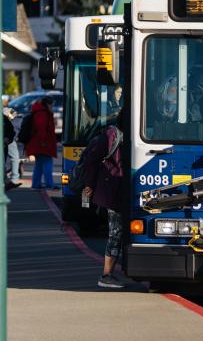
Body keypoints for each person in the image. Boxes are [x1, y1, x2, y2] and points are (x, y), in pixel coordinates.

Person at [81, 120, 125, 289]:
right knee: (116, 232)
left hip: (122, 190)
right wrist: (89, 186)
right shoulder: (112, 134)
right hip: (113, 191)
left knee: (119, 233)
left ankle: (111, 273)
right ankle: (106, 275)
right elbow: (91, 161)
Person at [25, 96, 58, 189]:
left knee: (39, 165)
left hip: (39, 143)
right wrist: (43, 141)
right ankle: (49, 184)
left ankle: (36, 184)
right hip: (43, 144)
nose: (52, 106)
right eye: (51, 105)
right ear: (47, 104)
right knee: (47, 163)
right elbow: (41, 129)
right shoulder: (43, 113)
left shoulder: (39, 112)